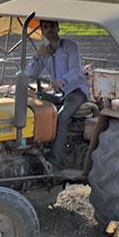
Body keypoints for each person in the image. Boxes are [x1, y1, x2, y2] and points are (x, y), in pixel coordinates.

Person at [26, 19, 90, 168]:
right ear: (42, 31)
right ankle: (38, 149)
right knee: (36, 107)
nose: (49, 29)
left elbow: (76, 70)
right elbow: (31, 74)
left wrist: (62, 81)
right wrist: (36, 56)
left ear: (58, 28)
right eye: (46, 27)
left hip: (75, 91)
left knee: (62, 116)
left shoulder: (70, 47)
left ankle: (55, 160)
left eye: (52, 26)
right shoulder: (44, 51)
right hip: (58, 93)